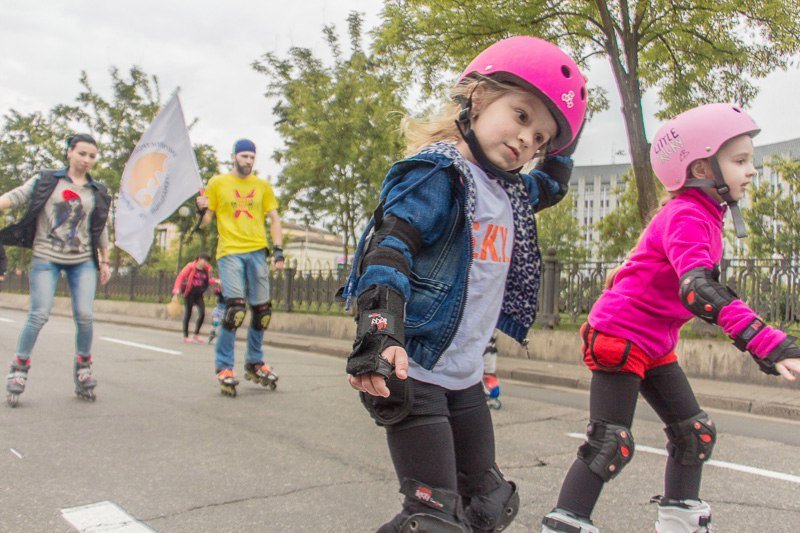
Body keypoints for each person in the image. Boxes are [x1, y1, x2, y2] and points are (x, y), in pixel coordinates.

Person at [341, 36, 587, 532]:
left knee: (489, 506)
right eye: (521, 116)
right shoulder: (440, 173)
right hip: (415, 368)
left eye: (540, 139)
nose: (526, 141)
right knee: (432, 520)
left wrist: (573, 127)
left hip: (464, 377)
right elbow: (389, 251)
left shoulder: (510, 190)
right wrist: (378, 332)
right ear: (477, 99)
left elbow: (554, 185)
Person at [541, 103, 800, 533]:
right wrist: (766, 340)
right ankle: (565, 524)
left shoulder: (704, 215)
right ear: (701, 166)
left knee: (693, 433)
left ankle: (680, 518)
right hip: (620, 336)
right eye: (740, 160)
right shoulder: (687, 214)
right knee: (610, 443)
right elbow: (698, 289)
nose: (752, 170)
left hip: (654, 343)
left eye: (750, 160)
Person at [0, 133, 112, 406]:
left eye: (92, 156)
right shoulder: (47, 180)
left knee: (85, 315)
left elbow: (100, 226)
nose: (86, 160)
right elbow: (16, 197)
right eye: (81, 153)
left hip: (82, 260)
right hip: (46, 257)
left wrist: (105, 260)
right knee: (38, 315)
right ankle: (19, 369)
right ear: (69, 152)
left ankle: (83, 369)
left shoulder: (96, 191)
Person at [196, 138, 285, 396]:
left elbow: (274, 219)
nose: (248, 161)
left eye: (252, 157)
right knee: (235, 308)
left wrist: (278, 250)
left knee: (262, 311)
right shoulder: (217, 183)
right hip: (230, 252)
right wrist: (200, 209)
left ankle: (254, 361)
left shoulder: (263, 186)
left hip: (258, 250)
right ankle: (224, 366)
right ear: (234, 156)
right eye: (244, 156)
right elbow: (206, 223)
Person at [172, 253, 214, 344]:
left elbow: (209, 280)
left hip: (199, 295)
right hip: (189, 293)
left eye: (207, 261)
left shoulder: (206, 269)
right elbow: (181, 277)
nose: (205, 263)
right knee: (188, 314)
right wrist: (176, 291)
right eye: (204, 260)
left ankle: (196, 334)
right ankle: (186, 336)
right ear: (199, 259)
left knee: (202, 313)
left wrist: (217, 281)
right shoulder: (190, 267)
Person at [482, 331, 501, 409]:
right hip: (485, 344)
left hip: (487, 345)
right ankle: (489, 394)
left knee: (488, 372)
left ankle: (490, 394)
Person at [207, 279, 226, 345]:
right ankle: (213, 332)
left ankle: (221, 336)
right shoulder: (219, 292)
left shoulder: (228, 292)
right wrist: (217, 283)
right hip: (219, 308)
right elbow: (216, 291)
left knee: (222, 323)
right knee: (216, 321)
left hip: (225, 309)